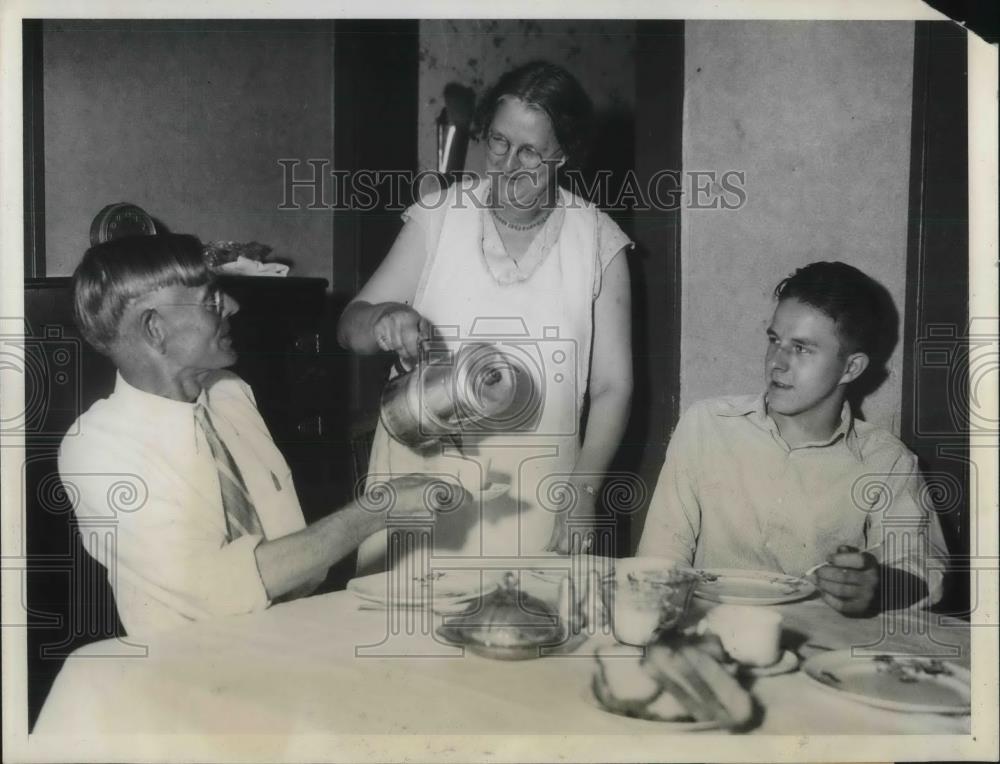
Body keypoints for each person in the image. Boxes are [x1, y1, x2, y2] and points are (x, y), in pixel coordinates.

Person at [59, 234, 455, 635]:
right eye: (211, 301)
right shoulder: (97, 449)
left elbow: (293, 554)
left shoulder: (230, 392)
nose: (233, 305)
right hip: (188, 670)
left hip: (289, 634)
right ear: (155, 329)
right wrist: (377, 511)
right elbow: (219, 587)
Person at [338, 61, 633, 573]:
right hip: (421, 488)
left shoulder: (597, 240)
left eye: (531, 151)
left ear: (563, 154)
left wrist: (583, 493)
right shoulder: (439, 216)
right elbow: (350, 326)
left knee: (529, 635)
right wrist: (383, 315)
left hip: (537, 496)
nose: (508, 164)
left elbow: (613, 385)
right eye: (498, 142)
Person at [637, 262, 948, 615]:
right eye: (774, 340)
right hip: (710, 635)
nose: (776, 363)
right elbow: (658, 562)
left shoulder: (886, 461)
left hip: (822, 652)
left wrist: (880, 587)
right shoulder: (707, 425)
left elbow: (924, 569)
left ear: (851, 368)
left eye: (801, 348)